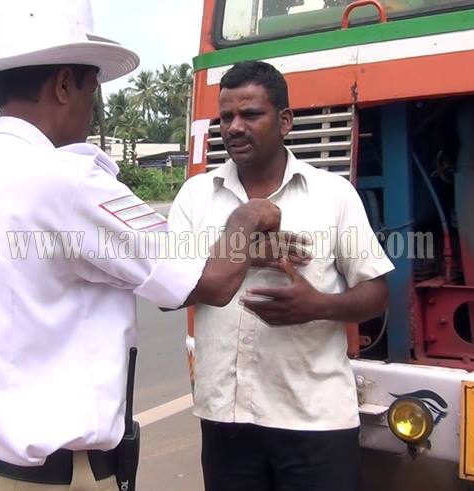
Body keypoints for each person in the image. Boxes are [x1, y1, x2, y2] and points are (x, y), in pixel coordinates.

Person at [0, 3, 281, 490]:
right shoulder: (71, 183)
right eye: (92, 89)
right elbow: (213, 281)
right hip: (57, 479)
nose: (91, 106)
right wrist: (248, 216)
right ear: (63, 85)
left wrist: (8, 351)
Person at [168, 61, 395, 491]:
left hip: (315, 419)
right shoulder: (196, 195)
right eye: (226, 117)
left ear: (285, 121)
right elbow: (169, 292)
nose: (234, 127)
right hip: (225, 416)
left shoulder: (332, 194)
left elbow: (377, 290)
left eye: (250, 114)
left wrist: (320, 306)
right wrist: (244, 249)